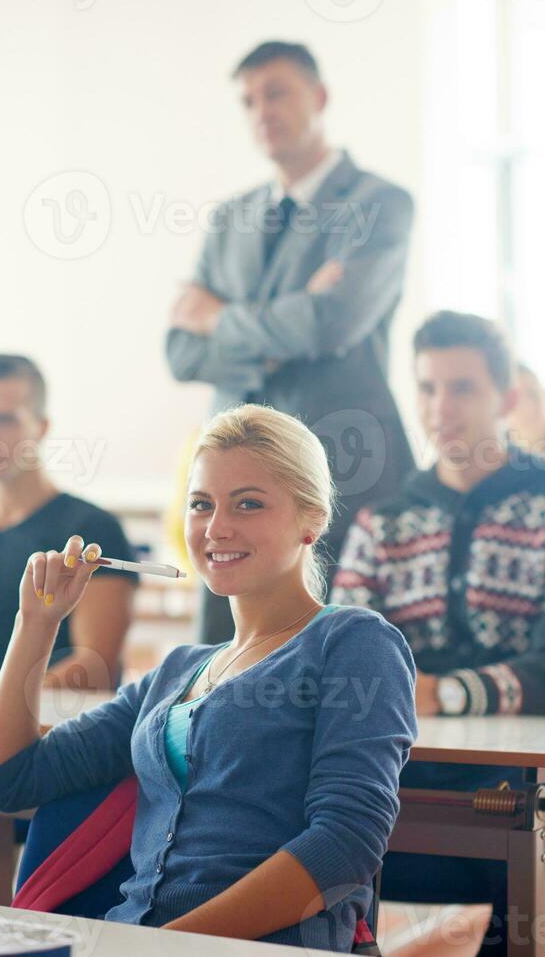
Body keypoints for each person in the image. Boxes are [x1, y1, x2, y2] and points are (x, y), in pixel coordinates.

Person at [0, 405, 416, 951]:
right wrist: (35, 625)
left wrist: (160, 946)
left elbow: (345, 846)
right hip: (135, 942)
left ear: (312, 520)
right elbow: (6, 781)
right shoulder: (177, 671)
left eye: (248, 504)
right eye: (201, 504)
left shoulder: (353, 641)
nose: (216, 527)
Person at [332, 311, 545, 954]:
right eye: (427, 387)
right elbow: (345, 656)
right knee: (306, 833)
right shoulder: (382, 522)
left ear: (506, 398)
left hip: (529, 781)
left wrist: (441, 692)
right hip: (403, 771)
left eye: (463, 388)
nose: (441, 407)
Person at [166, 40, 415, 644]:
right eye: (248, 100)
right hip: (231, 473)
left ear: (320, 97)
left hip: (343, 463)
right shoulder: (231, 218)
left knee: (343, 664)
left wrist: (220, 317)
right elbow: (181, 351)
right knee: (222, 665)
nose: (261, 111)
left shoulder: (378, 203)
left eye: (276, 92)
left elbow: (332, 323)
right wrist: (287, 322)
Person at [0, 354, 138, 691]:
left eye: (5, 419)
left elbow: (95, 665)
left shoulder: (92, 529)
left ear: (41, 427)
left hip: (26, 732)